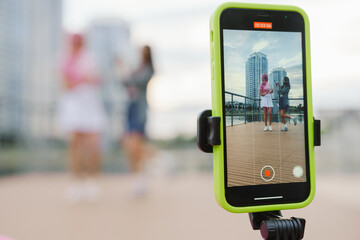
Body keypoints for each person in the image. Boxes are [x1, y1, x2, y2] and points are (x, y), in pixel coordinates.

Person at [58, 34, 106, 202]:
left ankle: (91, 182)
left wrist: (81, 80)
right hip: (73, 106)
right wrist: (81, 80)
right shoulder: (65, 59)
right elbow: (65, 83)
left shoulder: (90, 57)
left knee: (93, 145)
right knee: (75, 145)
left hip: (90, 104)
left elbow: (97, 78)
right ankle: (76, 184)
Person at [121, 45, 154, 196]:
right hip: (131, 109)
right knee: (129, 146)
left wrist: (124, 72)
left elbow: (132, 81)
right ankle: (138, 177)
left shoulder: (147, 70)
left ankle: (142, 177)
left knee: (135, 146)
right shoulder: (137, 68)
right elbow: (125, 82)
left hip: (139, 111)